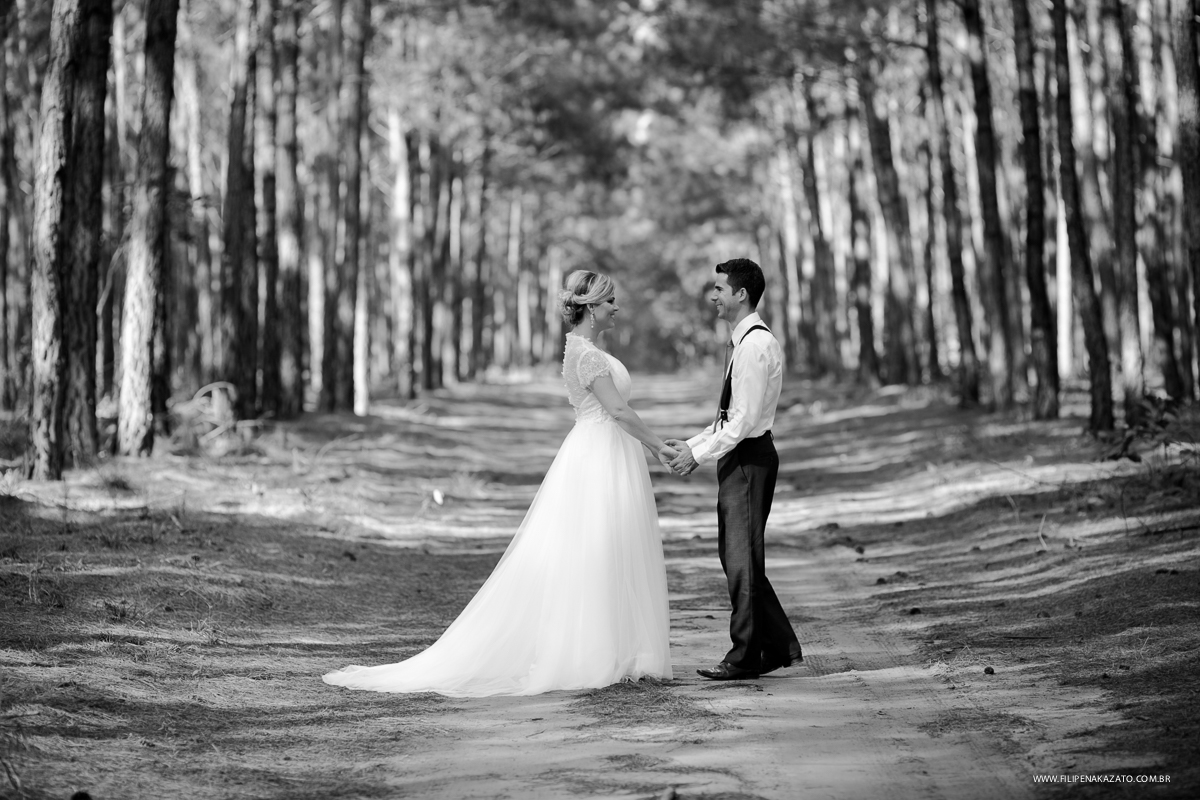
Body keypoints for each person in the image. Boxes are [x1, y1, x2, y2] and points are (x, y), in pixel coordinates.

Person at [323, 270, 677, 697]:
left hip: (603, 451)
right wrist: (659, 447)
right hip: (600, 457)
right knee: (596, 549)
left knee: (605, 548)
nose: (616, 308)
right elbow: (617, 411)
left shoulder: (583, 349)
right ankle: (591, 655)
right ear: (590, 308)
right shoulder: (588, 356)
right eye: (609, 301)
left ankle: (611, 650)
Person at [666, 258, 803, 681]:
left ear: (741, 294)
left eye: (720, 289)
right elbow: (729, 418)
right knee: (737, 557)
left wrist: (698, 456)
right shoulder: (743, 342)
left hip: (749, 457)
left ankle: (744, 657)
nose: (714, 296)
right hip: (740, 455)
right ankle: (778, 646)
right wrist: (691, 444)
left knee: (741, 560)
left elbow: (743, 422)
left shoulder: (755, 346)